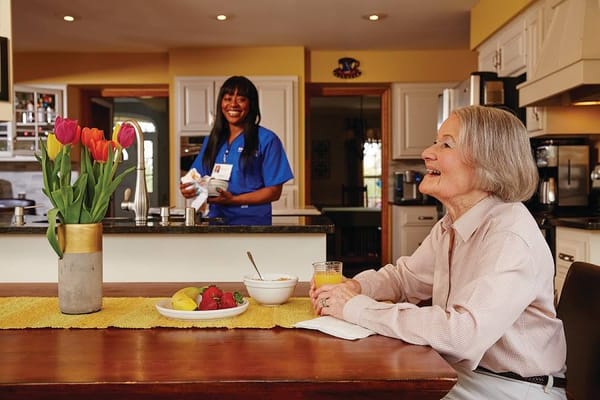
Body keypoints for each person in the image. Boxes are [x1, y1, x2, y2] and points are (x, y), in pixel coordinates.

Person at [310, 105, 567, 400]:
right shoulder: (453, 222)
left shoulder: (509, 236)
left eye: (446, 144)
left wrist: (355, 307)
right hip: (466, 375)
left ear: (488, 163)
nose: (427, 152)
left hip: (512, 388)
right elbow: (405, 279)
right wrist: (355, 286)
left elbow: (461, 335)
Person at [180, 76, 293, 225]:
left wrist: (233, 200)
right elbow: (198, 177)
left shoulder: (267, 140)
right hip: (217, 223)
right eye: (227, 98)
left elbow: (274, 191)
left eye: (241, 99)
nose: (233, 104)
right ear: (221, 103)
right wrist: (189, 188)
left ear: (251, 104)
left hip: (252, 225)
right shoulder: (212, 140)